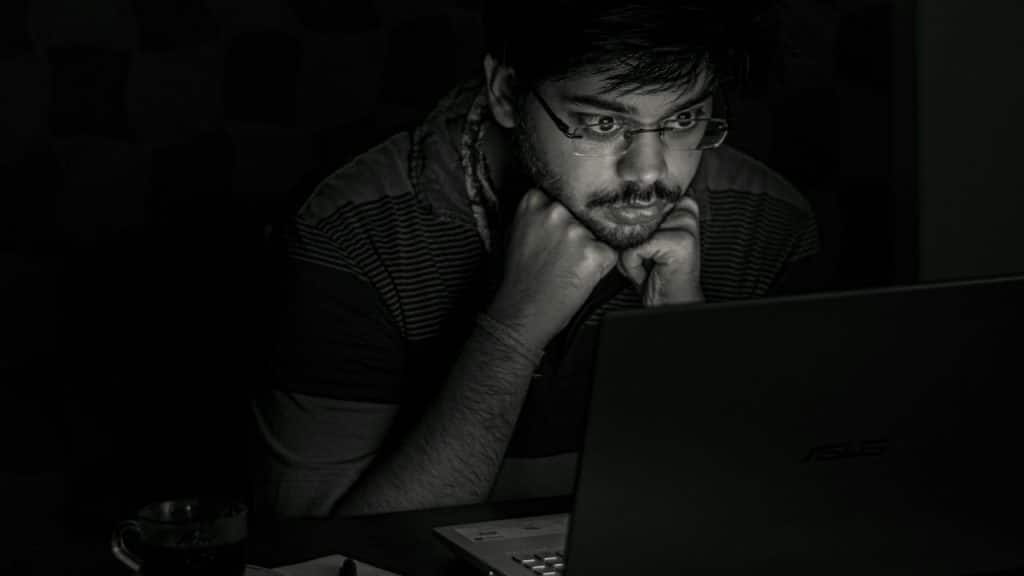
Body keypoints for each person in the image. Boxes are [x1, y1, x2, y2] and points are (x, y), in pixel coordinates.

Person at [251, 0, 824, 519]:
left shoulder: (771, 223)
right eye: (603, 123)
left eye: (681, 120)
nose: (650, 173)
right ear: (505, 93)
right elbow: (321, 558)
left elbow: (792, 520)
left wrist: (685, 340)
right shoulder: (353, 234)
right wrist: (511, 333)